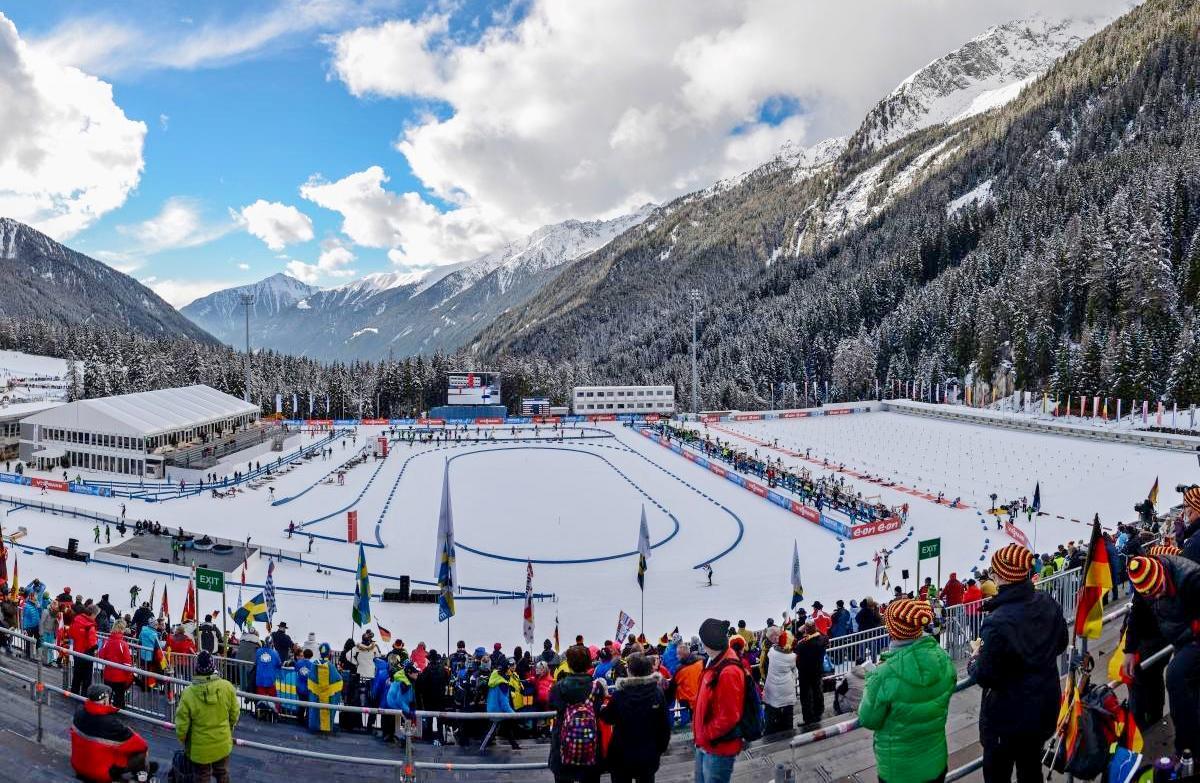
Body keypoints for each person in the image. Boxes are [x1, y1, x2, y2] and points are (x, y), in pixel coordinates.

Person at [967, 543, 1068, 783]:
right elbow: (1062, 643)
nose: (991, 576)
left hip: (1007, 720)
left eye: (994, 572)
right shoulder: (1046, 601)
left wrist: (975, 658)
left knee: (997, 774)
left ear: (1002, 577)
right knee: (1031, 768)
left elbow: (985, 675)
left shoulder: (997, 622)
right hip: (1043, 707)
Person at [858, 599, 957, 783]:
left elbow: (868, 719)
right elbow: (950, 686)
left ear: (892, 630)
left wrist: (872, 679)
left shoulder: (883, 674)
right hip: (936, 762)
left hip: (899, 772)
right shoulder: (942, 658)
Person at [1121, 553, 1200, 756]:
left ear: (1163, 574)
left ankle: (1186, 749)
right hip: (1180, 636)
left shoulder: (1191, 577)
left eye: (1159, 591)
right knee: (1188, 687)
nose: (1156, 597)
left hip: (1195, 635)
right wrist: (1129, 650)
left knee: (1175, 676)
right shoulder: (1145, 583)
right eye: (1151, 595)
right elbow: (1136, 614)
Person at [600, 652, 672, 783]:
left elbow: (607, 718)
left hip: (621, 754)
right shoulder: (657, 693)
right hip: (648, 753)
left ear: (630, 671)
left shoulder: (619, 695)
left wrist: (602, 701)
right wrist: (659, 749)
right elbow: (664, 725)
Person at [693, 618, 747, 783]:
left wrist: (705, 735)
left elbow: (730, 716)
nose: (702, 645)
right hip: (705, 744)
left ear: (709, 644)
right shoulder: (716, 661)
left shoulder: (728, 671)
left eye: (703, 642)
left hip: (717, 749)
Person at [175, 650, 239, 783]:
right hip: (222, 741)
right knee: (222, 773)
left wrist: (182, 738)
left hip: (200, 748)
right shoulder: (227, 687)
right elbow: (234, 713)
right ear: (213, 667)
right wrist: (229, 728)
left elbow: (182, 724)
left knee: (202, 776)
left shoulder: (188, 693)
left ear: (196, 668)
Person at [70, 684, 154, 782]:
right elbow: (141, 745)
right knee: (141, 753)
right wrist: (129, 730)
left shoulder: (79, 711)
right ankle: (143, 777)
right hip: (100, 773)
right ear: (106, 700)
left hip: (78, 766)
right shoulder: (110, 723)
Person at [548, 644, 605, 783]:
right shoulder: (597, 687)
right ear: (588, 663)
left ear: (569, 663)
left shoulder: (558, 688)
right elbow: (598, 709)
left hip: (563, 745)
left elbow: (553, 705)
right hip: (590, 746)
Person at [761, 627, 797, 735]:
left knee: (771, 714)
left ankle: (770, 735)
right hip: (787, 690)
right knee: (787, 714)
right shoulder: (792, 657)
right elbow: (794, 671)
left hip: (772, 690)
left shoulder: (771, 651)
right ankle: (788, 732)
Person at [794, 621, 826, 727]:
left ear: (806, 631)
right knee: (818, 691)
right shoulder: (822, 640)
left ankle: (808, 718)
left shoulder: (802, 644)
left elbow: (796, 648)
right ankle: (818, 713)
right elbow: (824, 636)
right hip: (817, 670)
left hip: (805, 673)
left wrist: (799, 631)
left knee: (805, 696)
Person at [98, 620, 135, 709]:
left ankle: (105, 713)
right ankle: (118, 715)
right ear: (122, 629)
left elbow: (101, 655)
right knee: (119, 698)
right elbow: (127, 663)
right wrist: (129, 675)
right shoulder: (123, 644)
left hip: (108, 675)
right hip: (119, 678)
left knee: (107, 697)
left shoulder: (107, 641)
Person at [69, 605, 99, 695]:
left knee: (77, 674)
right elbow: (92, 642)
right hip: (87, 653)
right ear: (93, 614)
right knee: (87, 677)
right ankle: (84, 695)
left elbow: (71, 633)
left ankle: (74, 692)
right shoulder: (90, 625)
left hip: (77, 651)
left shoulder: (77, 619)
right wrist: (95, 648)